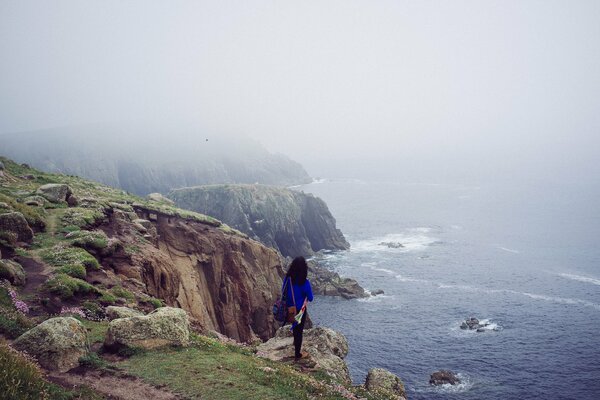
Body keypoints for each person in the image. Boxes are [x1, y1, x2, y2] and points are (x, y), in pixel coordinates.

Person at [285, 256, 313, 361]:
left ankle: (295, 345)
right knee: (299, 331)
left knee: (294, 327)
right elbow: (310, 298)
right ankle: (297, 353)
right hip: (300, 310)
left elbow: (283, 291)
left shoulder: (288, 279)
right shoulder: (305, 282)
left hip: (289, 308)